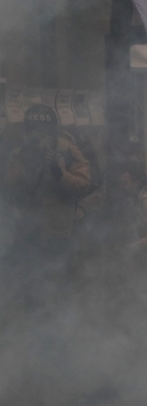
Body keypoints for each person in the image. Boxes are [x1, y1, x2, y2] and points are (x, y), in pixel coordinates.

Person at [3, 104, 92, 288]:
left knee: (57, 285)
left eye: (42, 131)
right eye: (32, 131)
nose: (36, 136)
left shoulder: (67, 150)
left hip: (57, 232)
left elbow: (83, 186)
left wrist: (57, 171)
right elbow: (9, 189)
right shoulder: (19, 154)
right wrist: (26, 164)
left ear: (52, 132)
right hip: (27, 231)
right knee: (30, 288)